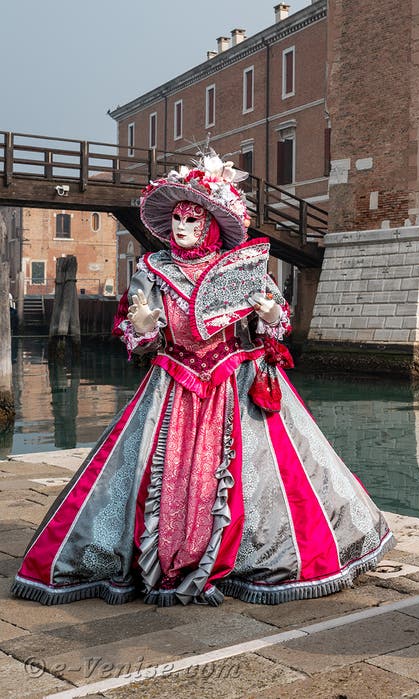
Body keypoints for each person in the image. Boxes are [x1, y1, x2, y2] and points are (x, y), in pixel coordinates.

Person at [12, 154, 393, 606]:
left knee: (272, 479)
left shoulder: (241, 270)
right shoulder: (152, 271)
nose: (181, 227)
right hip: (172, 381)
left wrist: (271, 314)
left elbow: (276, 325)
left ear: (210, 224)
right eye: (176, 219)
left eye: (191, 220)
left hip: (233, 379)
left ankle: (239, 558)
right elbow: (137, 337)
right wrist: (144, 326)